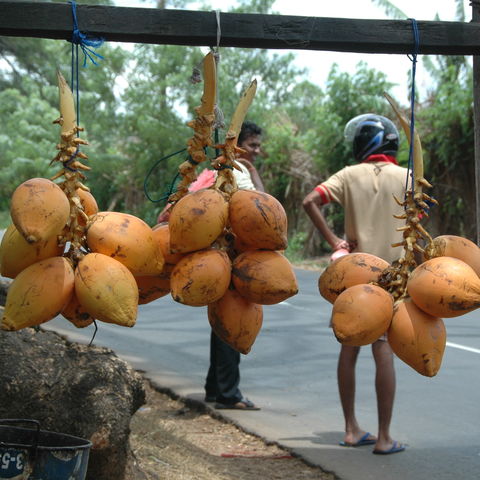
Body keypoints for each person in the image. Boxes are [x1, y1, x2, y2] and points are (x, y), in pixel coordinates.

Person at [302, 114, 407, 454]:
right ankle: (384, 437)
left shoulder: (348, 175)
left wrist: (335, 242)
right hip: (393, 278)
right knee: (384, 352)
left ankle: (350, 430)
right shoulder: (408, 177)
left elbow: (310, 201)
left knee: (349, 349)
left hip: (355, 274)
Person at [204, 120, 264, 410]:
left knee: (221, 319)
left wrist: (252, 170)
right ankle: (228, 394)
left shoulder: (231, 170)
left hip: (221, 256)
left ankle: (215, 388)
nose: (257, 151)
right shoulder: (235, 174)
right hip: (233, 256)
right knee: (233, 321)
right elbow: (263, 208)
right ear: (238, 144)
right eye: (253, 145)